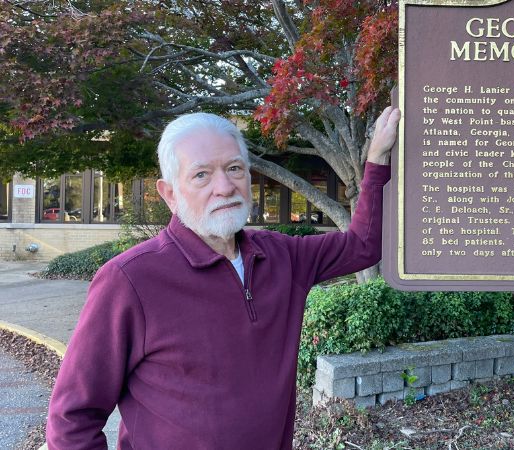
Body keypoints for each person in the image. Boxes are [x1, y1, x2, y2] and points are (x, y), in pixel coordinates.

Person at [46, 106, 401, 449]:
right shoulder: (130, 280)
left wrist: (377, 159)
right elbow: (73, 418)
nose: (225, 187)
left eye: (235, 168)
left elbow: (362, 247)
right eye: (201, 175)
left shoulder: (283, 257)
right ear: (169, 193)